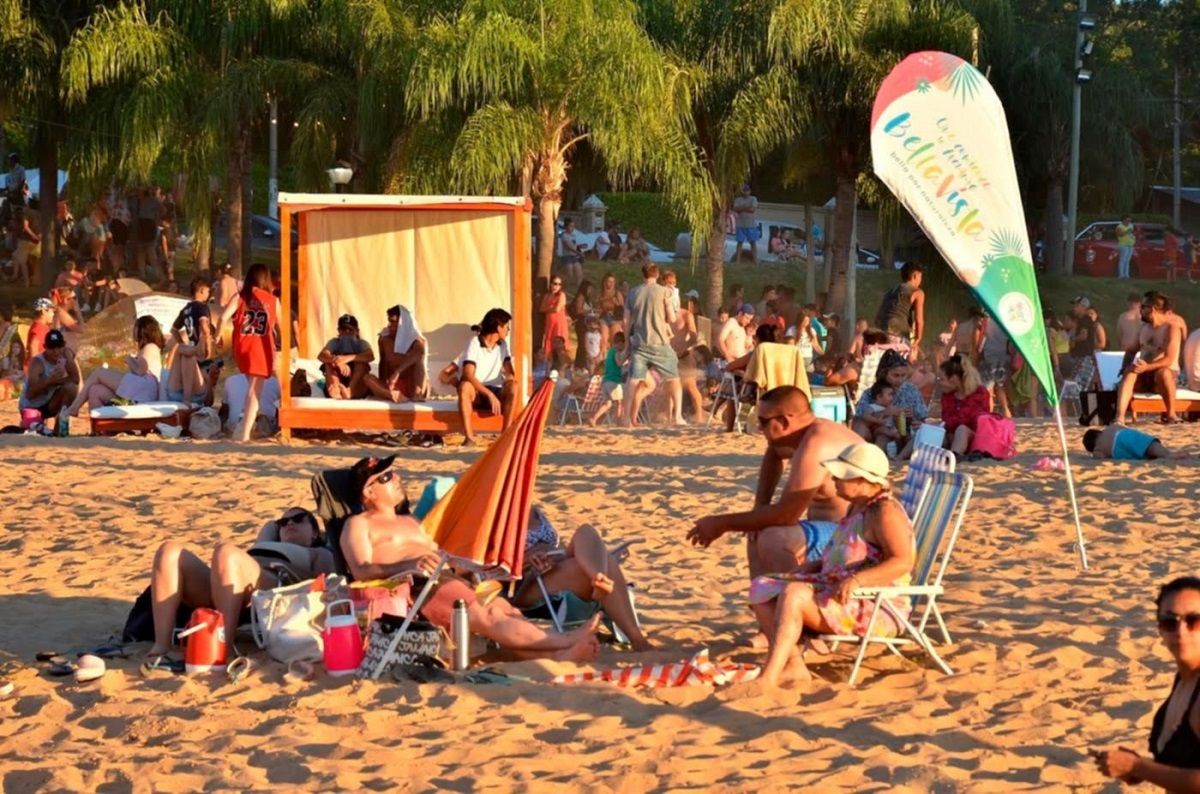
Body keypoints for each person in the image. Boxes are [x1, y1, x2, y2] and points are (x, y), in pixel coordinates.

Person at [340, 456, 601, 661]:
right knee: (487, 617)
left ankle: (559, 655)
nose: (396, 477)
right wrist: (409, 565)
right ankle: (564, 640)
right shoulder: (358, 525)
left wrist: (468, 567)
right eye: (385, 476)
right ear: (369, 492)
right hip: (416, 587)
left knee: (506, 611)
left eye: (393, 472)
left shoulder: (411, 521)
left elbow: (442, 554)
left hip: (447, 577)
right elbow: (361, 570)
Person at [688, 386, 864, 640]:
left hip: (852, 539)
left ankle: (797, 626)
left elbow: (785, 516)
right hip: (833, 529)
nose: (759, 429)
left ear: (784, 421)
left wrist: (722, 523)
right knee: (757, 530)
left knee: (772, 538)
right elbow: (774, 453)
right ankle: (771, 624)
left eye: (762, 422)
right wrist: (759, 508)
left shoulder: (817, 443)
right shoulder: (803, 432)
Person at [742, 442, 914, 694]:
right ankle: (793, 664)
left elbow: (902, 561)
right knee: (762, 588)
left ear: (863, 479)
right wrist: (812, 567)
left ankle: (769, 675)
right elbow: (845, 553)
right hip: (842, 593)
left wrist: (858, 581)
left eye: (841, 476)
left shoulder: (884, 512)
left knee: (795, 594)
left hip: (876, 605)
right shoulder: (859, 506)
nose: (833, 480)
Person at [143, 507, 335, 664]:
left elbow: (326, 584)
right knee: (169, 550)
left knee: (225, 551)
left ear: (315, 532)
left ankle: (221, 649)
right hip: (228, 577)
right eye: (283, 523)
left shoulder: (317, 552)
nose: (290, 523)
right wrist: (276, 525)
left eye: (299, 519)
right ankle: (161, 646)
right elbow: (269, 526)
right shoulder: (266, 543)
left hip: (270, 584)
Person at [1092, 577, 1200, 789]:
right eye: (1170, 622)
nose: (1181, 632)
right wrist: (1141, 769)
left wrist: (1138, 767)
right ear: (1159, 629)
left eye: (1194, 621)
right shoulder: (1185, 678)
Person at [515, 507, 651, 650]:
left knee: (586, 531)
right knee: (604, 563)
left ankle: (599, 578)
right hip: (529, 581)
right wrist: (526, 562)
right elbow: (495, 567)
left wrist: (557, 557)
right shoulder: (498, 514)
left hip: (556, 564)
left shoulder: (533, 510)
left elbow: (555, 545)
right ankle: (637, 639)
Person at [216, 263, 279, 442]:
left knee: (252, 387)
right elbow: (282, 326)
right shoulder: (272, 300)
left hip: (242, 347)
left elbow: (222, 317)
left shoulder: (241, 296)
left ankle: (245, 423)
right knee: (254, 391)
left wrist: (218, 336)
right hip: (261, 347)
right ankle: (245, 432)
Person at [621, 263, 683, 426]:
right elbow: (671, 318)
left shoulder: (633, 292)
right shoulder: (664, 292)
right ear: (657, 275)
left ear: (643, 275)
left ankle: (626, 418)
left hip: (640, 343)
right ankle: (677, 416)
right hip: (660, 342)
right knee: (674, 378)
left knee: (633, 380)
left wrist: (627, 342)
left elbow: (626, 320)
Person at [67, 316, 164, 416]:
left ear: (142, 330)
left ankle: (74, 408)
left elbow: (141, 370)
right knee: (95, 391)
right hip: (140, 391)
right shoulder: (150, 348)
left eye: (135, 327)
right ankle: (100, 428)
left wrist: (129, 360)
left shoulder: (149, 347)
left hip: (143, 390)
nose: (133, 330)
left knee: (99, 372)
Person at [1116, 292, 1184, 425]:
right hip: (1144, 373)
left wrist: (1147, 367)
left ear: (1151, 309)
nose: (1140, 310)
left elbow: (1169, 359)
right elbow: (1131, 351)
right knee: (1130, 372)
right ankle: (1119, 417)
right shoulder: (1143, 328)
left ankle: (1171, 414)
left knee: (1163, 373)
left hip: (1164, 377)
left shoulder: (1171, 329)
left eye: (1143, 307)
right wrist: (1124, 367)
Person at [456, 308, 516, 446]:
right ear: (498, 327)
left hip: (496, 389)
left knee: (514, 386)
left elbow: (510, 372)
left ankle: (505, 436)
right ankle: (469, 438)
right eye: (506, 326)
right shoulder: (475, 342)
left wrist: (509, 378)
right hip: (478, 391)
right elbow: (467, 374)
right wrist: (488, 394)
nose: (508, 330)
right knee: (464, 386)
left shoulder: (503, 345)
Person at [852, 350, 928, 448]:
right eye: (896, 375)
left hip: (902, 436)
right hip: (875, 434)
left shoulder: (911, 391)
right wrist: (885, 412)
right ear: (883, 374)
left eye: (904, 376)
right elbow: (859, 419)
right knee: (860, 428)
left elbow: (924, 418)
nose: (900, 380)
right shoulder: (871, 393)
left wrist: (915, 420)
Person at [317, 314, 390, 401]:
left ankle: (349, 391)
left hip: (356, 385)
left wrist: (347, 358)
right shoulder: (334, 342)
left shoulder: (361, 344)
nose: (347, 332)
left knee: (361, 364)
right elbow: (322, 355)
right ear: (339, 331)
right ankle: (335, 389)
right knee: (329, 364)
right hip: (340, 378)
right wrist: (337, 360)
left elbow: (370, 356)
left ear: (356, 331)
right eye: (344, 329)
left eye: (350, 330)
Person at [19, 330, 79, 433]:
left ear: (63, 346)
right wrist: (50, 380)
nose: (56, 351)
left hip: (49, 404)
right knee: (36, 431)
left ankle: (60, 428)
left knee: (71, 388)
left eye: (59, 347)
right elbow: (30, 394)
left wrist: (69, 358)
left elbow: (75, 379)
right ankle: (30, 422)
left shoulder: (65, 356)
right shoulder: (37, 362)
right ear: (45, 347)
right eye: (51, 348)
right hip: (32, 406)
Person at [166, 276, 214, 406]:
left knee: (184, 353)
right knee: (203, 371)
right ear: (202, 291)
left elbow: (174, 329)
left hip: (190, 346)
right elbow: (204, 326)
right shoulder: (202, 307)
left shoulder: (186, 309)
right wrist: (208, 345)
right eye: (208, 291)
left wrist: (181, 343)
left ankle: (188, 349)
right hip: (199, 349)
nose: (209, 295)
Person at [939, 355, 991, 456]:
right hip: (952, 436)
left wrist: (946, 425)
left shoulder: (979, 393)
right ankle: (902, 457)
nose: (940, 383)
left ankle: (953, 457)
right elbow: (946, 418)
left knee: (961, 429)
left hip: (975, 437)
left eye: (942, 379)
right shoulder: (947, 395)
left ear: (953, 379)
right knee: (929, 430)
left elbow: (966, 418)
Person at [874, 261, 925, 361]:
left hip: (882, 332)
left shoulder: (890, 292)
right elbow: (919, 320)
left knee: (884, 366)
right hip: (898, 333)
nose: (920, 280)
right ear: (915, 276)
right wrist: (918, 338)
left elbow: (877, 317)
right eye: (920, 277)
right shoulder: (917, 292)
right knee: (900, 367)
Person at [378, 304, 428, 401]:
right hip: (393, 386)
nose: (389, 325)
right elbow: (383, 362)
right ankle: (391, 394)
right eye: (389, 321)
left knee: (418, 362)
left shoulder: (416, 339)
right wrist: (383, 383)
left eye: (393, 322)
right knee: (368, 378)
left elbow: (419, 353)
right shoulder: (384, 339)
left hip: (413, 384)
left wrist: (397, 372)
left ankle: (417, 395)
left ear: (402, 323)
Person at [673, 294, 706, 423]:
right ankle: (672, 416)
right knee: (671, 385)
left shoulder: (687, 315)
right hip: (672, 355)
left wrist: (684, 347)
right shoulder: (666, 315)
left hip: (685, 355)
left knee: (691, 386)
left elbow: (693, 336)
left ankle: (699, 415)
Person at [589, 331, 627, 426]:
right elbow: (619, 363)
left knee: (608, 404)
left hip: (605, 380)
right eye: (623, 345)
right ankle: (619, 422)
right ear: (620, 343)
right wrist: (626, 359)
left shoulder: (610, 351)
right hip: (613, 380)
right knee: (620, 402)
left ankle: (593, 418)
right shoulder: (617, 352)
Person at [1083, 426, 1187, 460]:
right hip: (1125, 434)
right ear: (1098, 432)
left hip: (1121, 444)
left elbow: (1099, 457)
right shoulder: (1108, 429)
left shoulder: (1098, 449)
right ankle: (1168, 453)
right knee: (1149, 445)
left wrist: (1093, 455)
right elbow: (1120, 427)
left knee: (1146, 449)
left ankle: (1169, 455)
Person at [540, 276, 570, 360]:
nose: (557, 286)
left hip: (559, 323)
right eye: (555, 283)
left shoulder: (561, 295)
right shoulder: (547, 295)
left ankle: (562, 362)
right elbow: (541, 308)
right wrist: (551, 308)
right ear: (551, 284)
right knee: (549, 342)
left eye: (559, 284)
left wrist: (548, 308)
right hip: (550, 323)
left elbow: (557, 309)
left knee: (559, 343)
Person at [569, 280, 594, 369]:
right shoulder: (581, 297)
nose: (590, 291)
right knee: (582, 344)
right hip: (580, 323)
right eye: (589, 289)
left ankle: (582, 363)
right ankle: (580, 364)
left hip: (586, 323)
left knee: (584, 344)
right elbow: (578, 310)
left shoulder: (587, 299)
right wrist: (588, 312)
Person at [732, 184, 760, 264]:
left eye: (747, 190)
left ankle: (755, 259)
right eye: (744, 190)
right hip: (740, 224)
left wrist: (742, 208)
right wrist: (746, 207)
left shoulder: (753, 199)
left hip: (751, 224)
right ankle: (738, 260)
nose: (746, 192)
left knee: (753, 242)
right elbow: (735, 209)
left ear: (750, 191)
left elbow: (752, 209)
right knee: (739, 242)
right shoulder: (738, 199)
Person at [25, 298, 56, 367]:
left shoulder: (41, 326)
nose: (53, 314)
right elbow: (33, 346)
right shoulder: (40, 327)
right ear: (44, 311)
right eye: (52, 311)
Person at [556, 218, 584, 287]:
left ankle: (578, 287)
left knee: (579, 274)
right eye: (571, 226)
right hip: (567, 257)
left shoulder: (573, 235)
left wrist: (579, 246)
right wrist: (579, 253)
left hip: (574, 256)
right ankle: (562, 286)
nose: (572, 228)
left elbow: (574, 245)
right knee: (569, 275)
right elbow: (568, 247)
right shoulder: (564, 235)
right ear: (566, 227)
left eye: (573, 226)